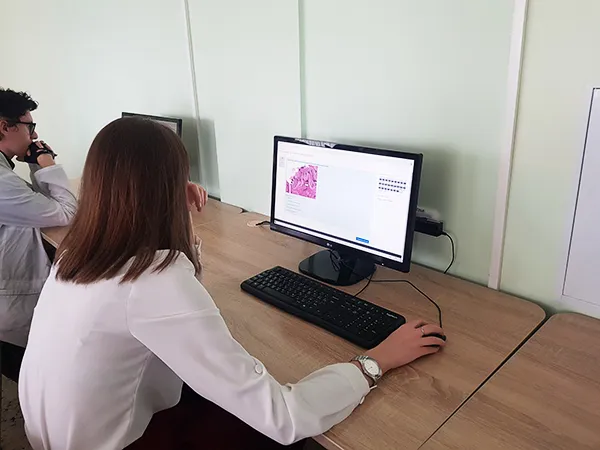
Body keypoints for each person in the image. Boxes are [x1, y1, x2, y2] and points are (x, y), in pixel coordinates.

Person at [19, 117, 446, 450]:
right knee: (290, 438)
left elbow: (175, 298)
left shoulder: (81, 250)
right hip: (122, 442)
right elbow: (284, 417)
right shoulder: (152, 280)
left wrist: (176, 217)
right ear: (168, 187)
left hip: (57, 433)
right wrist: (376, 362)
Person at [0, 88, 77, 380]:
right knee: (36, 376)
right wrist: (47, 163)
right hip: (9, 307)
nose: (34, 135)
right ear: (5, 127)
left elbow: (43, 206)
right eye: (29, 127)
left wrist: (36, 164)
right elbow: (65, 212)